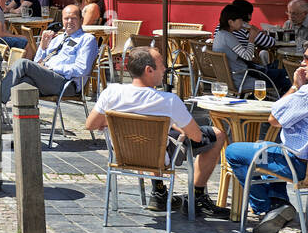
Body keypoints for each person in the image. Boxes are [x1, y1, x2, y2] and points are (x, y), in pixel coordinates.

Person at [86, 47, 226, 216]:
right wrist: (176, 122)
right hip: (158, 156)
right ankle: (197, 196)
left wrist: (111, 121)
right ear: (149, 70)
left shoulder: (112, 92)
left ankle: (159, 191)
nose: (165, 69)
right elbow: (196, 136)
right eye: (162, 64)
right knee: (217, 135)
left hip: (125, 153)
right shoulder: (168, 101)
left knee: (157, 135)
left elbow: (90, 124)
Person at [224, 42, 308, 233]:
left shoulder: (307, 93)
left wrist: (295, 87)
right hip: (299, 159)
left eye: (307, 59)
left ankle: (267, 207)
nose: (303, 63)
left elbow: (274, 119)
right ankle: (280, 204)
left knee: (235, 152)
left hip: (299, 166)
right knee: (266, 148)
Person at [0, 5, 99, 105]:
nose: (69, 21)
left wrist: (52, 68)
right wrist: (42, 48)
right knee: (24, 83)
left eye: (73, 18)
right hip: (49, 80)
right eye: (66, 18)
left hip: (67, 84)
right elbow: (37, 62)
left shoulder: (87, 39)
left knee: (22, 64)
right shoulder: (57, 38)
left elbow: (81, 69)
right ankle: (20, 118)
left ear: (81, 20)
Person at [213, 2, 290, 95]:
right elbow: (248, 56)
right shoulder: (229, 37)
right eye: (240, 20)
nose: (243, 23)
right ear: (230, 22)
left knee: (279, 72)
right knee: (286, 76)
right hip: (242, 79)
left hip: (233, 77)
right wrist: (252, 38)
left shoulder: (220, 34)